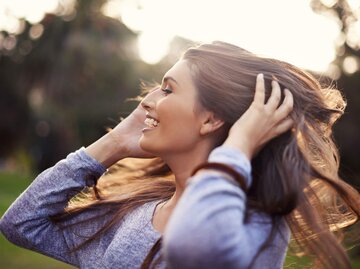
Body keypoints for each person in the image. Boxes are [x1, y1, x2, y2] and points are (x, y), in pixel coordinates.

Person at [0, 41, 359, 269]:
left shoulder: (256, 224)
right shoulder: (138, 215)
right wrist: (114, 143)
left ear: (211, 119)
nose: (147, 100)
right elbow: (22, 224)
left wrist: (240, 143)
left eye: (168, 89)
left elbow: (192, 243)